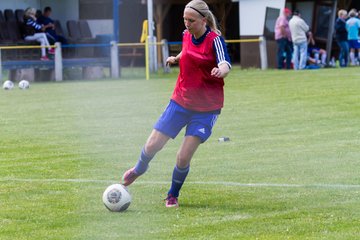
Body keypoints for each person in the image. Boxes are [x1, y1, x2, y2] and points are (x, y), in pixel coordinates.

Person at [121, 0, 231, 208]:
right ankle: (138, 169)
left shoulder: (215, 40)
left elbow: (225, 63)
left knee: (182, 157)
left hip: (206, 109)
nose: (187, 24)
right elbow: (187, 51)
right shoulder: (186, 34)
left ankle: (172, 194)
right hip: (180, 101)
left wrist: (221, 70)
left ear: (204, 20)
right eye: (184, 20)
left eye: (191, 20)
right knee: (152, 144)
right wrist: (176, 58)